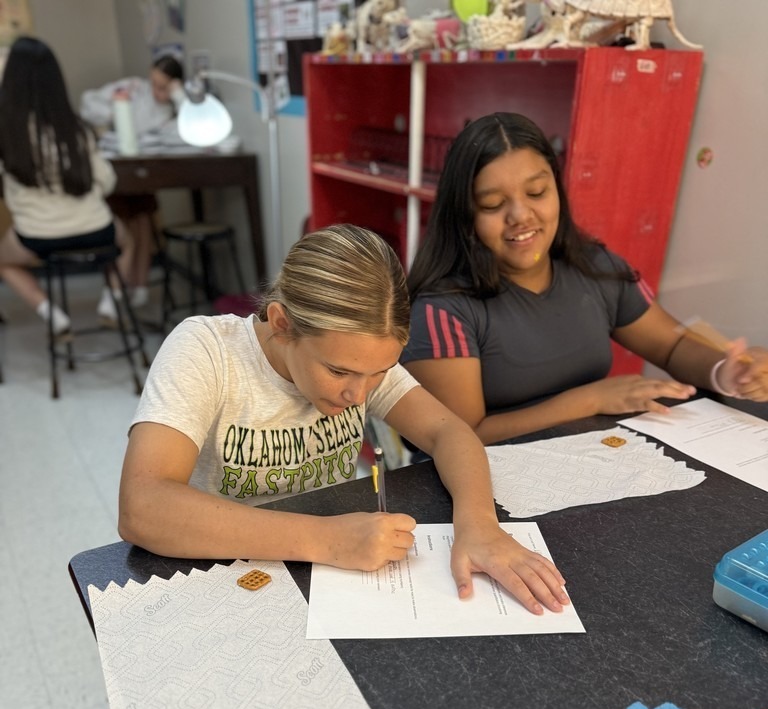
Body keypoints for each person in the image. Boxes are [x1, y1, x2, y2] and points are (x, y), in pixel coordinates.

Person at [119, 223, 570, 616]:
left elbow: (449, 432)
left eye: (377, 374)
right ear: (281, 324)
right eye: (338, 372)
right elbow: (143, 507)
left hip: (327, 571)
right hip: (223, 568)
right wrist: (325, 540)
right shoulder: (207, 351)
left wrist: (480, 526)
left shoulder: (359, 355)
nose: (358, 394)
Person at [402, 112, 768, 444]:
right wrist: (590, 400)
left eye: (536, 193)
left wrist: (727, 372)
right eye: (494, 204)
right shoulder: (441, 309)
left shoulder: (594, 266)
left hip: (588, 458)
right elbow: (461, 437)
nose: (520, 215)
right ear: (464, 213)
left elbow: (670, 346)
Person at [0, 36, 133, 336]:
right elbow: (106, 180)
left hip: (36, 236)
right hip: (95, 228)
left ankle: (51, 314)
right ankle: (110, 303)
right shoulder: (76, 128)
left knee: (4, 262)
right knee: (128, 243)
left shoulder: (8, 133)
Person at [80, 54, 185, 317]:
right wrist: (114, 107)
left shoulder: (177, 104)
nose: (156, 92)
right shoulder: (134, 89)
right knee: (125, 226)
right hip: (121, 170)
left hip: (148, 172)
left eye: (164, 86)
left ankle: (139, 286)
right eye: (154, 84)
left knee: (143, 221)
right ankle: (117, 290)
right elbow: (89, 104)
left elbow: (188, 128)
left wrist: (178, 96)